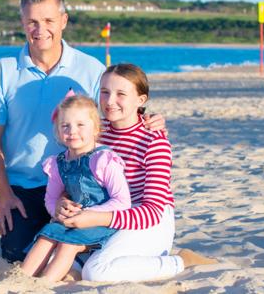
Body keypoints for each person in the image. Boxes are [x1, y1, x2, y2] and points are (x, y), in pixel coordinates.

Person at [0, 0, 166, 263]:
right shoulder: (3, 70)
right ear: (22, 22)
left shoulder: (90, 68)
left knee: (69, 247)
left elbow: (112, 113)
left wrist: (148, 120)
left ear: (63, 21)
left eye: (48, 21)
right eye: (32, 21)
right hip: (24, 186)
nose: (39, 29)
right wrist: (4, 195)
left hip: (80, 181)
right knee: (18, 254)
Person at [54, 63, 216, 282]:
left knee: (97, 271)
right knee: (50, 250)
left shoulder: (153, 141)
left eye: (121, 93)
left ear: (140, 100)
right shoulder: (94, 131)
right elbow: (75, 176)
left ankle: (181, 261)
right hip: (105, 213)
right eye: (104, 92)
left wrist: (97, 218)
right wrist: (62, 201)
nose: (110, 101)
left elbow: (152, 210)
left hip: (148, 220)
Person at [20, 94, 131, 282]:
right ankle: (20, 279)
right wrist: (57, 210)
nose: (72, 131)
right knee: (46, 235)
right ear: (58, 131)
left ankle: (44, 283)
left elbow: (122, 201)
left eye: (81, 125)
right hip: (70, 220)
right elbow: (51, 198)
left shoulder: (103, 159)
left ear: (95, 129)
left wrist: (89, 213)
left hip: (101, 222)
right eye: (65, 126)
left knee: (67, 244)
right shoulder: (59, 163)